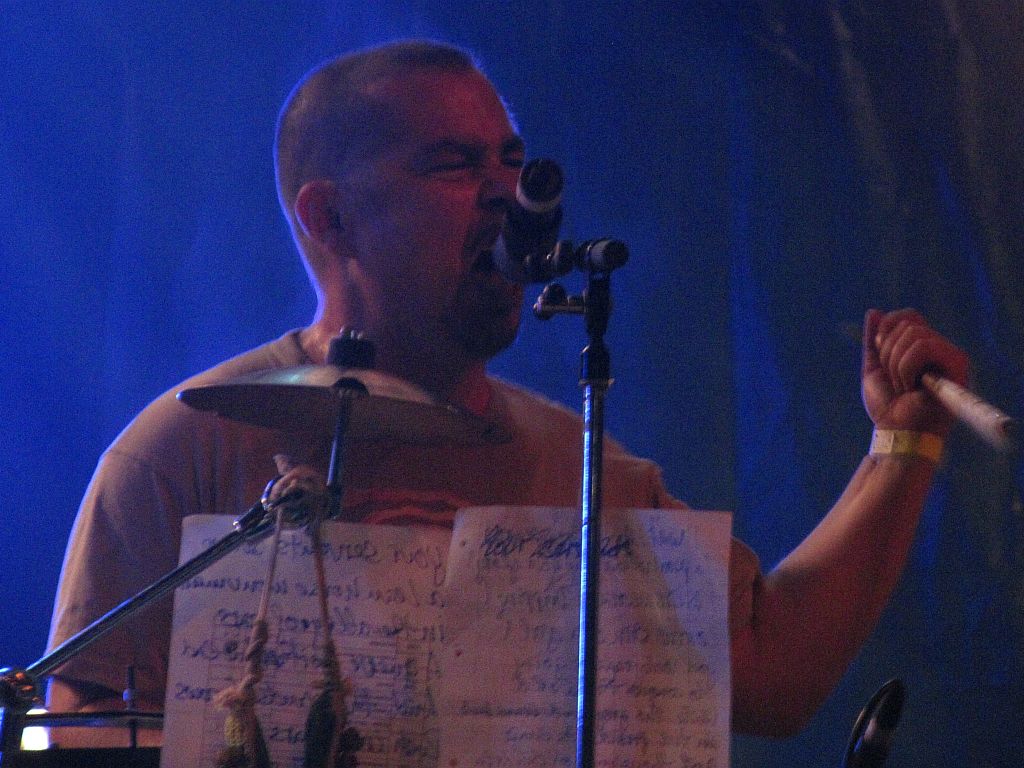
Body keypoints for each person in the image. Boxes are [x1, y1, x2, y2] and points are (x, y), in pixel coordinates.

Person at [46, 39, 969, 745]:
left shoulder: (580, 470)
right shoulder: (186, 449)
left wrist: (903, 445)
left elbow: (772, 675)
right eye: (454, 164)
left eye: (512, 161)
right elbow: (81, 730)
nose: (506, 193)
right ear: (329, 216)